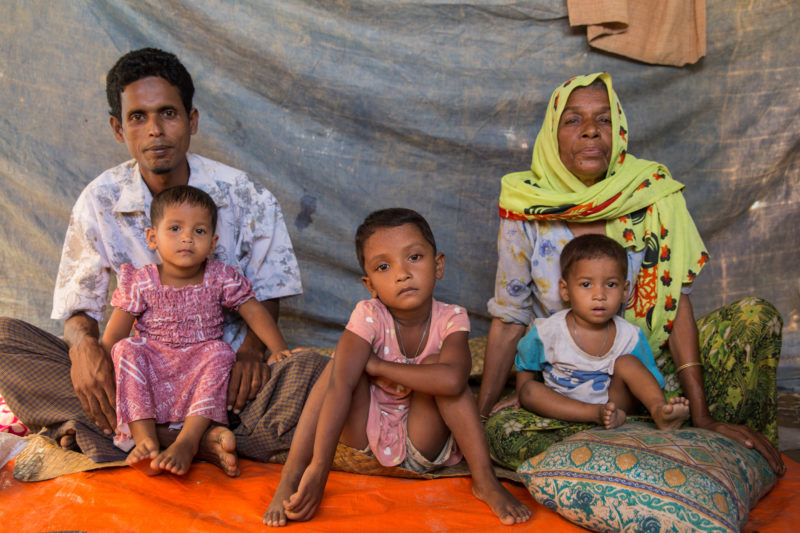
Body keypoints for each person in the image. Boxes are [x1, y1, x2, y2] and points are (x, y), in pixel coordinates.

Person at [0, 48, 327, 475]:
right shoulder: (100, 200)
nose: (155, 130)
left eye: (168, 113)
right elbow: (81, 308)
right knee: (7, 340)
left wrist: (251, 352)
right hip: (139, 376)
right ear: (118, 128)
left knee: (313, 371)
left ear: (191, 121)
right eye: (138, 117)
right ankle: (188, 441)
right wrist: (84, 349)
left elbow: (263, 294)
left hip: (225, 380)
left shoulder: (244, 194)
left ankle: (129, 434)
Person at [478, 72, 785, 475]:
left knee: (755, 319)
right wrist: (480, 415)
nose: (590, 132)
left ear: (619, 131)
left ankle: (690, 430)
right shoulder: (526, 208)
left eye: (604, 120)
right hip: (570, 387)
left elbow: (674, 304)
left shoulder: (651, 193)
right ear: (552, 137)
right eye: (573, 120)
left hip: (653, 374)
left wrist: (703, 411)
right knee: (504, 433)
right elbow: (511, 315)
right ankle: (652, 443)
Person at [263, 208, 531, 527]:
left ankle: (485, 481)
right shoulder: (368, 315)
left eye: (414, 257)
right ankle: (293, 476)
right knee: (338, 367)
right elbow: (339, 387)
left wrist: (379, 366)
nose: (401, 273)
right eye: (384, 266)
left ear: (439, 264)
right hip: (364, 436)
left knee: (440, 370)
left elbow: (453, 380)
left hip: (423, 440)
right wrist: (320, 467)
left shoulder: (452, 318)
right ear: (370, 284)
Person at [102, 185, 292, 475]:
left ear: (213, 242)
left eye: (199, 231)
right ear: (152, 238)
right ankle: (145, 441)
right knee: (126, 348)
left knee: (220, 352)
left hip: (198, 365)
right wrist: (104, 371)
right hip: (154, 364)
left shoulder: (220, 277)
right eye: (175, 228)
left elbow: (253, 310)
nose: (187, 238)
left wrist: (278, 349)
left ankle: (189, 442)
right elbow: (114, 337)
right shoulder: (141, 281)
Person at [516, 233, 690, 430]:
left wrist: (653, 400)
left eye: (611, 284)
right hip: (564, 405)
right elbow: (526, 363)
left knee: (627, 362)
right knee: (529, 390)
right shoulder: (548, 331)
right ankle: (594, 414)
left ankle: (660, 412)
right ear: (565, 290)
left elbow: (647, 380)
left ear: (625, 291)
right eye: (586, 284)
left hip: (618, 408)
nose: (599, 295)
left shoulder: (630, 336)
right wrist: (519, 393)